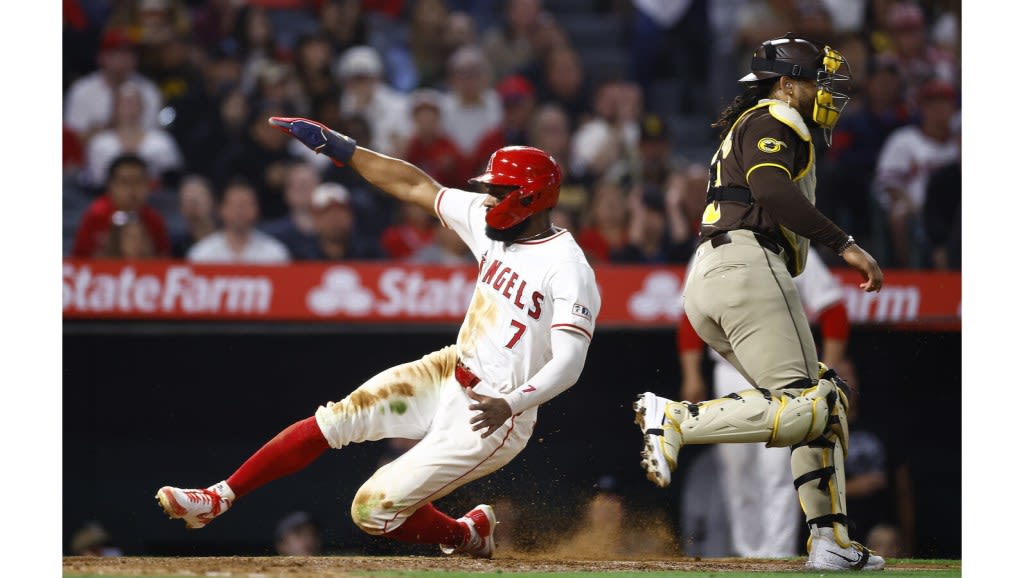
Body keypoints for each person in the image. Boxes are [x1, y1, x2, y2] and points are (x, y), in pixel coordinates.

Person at [156, 116, 601, 559]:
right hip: (450, 369)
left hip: (494, 416)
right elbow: (413, 185)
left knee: (371, 511)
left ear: (530, 197)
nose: (487, 197)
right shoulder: (488, 218)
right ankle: (219, 498)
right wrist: (340, 148)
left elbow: (569, 363)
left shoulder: (567, 267)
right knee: (333, 421)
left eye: (498, 190)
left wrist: (513, 402)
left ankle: (465, 535)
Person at [632, 33, 885, 571]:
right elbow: (770, 189)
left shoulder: (755, 121)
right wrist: (846, 245)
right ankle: (677, 419)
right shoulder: (775, 116)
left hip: (716, 275)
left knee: (823, 406)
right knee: (814, 403)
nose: (824, 90)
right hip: (748, 264)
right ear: (787, 83)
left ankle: (830, 541)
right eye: (815, 78)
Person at [678, 247, 851, 558]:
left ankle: (777, 554)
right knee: (737, 472)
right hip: (730, 373)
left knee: (779, 473)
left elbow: (834, 310)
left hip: (784, 376)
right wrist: (692, 374)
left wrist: (826, 371)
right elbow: (689, 314)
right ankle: (749, 554)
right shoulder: (710, 247)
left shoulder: (790, 249)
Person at [72, 154, 171, 258]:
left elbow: (164, 259)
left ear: (148, 185)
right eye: (125, 182)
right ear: (111, 185)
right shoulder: (96, 216)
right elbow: (79, 259)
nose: (132, 189)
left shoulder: (154, 219)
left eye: (138, 181)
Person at [187, 179, 291, 264]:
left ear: (257, 209)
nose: (240, 211)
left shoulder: (275, 253)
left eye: (245, 205)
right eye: (235, 205)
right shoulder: (202, 254)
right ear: (221, 209)